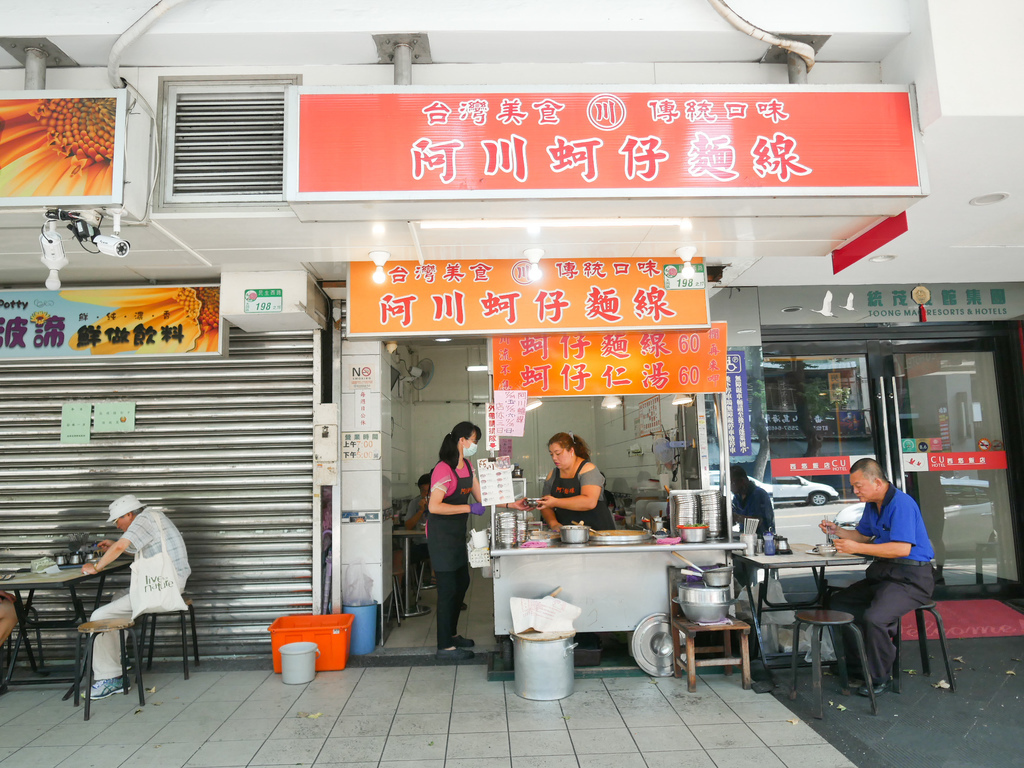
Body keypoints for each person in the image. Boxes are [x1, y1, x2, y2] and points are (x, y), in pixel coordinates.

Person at [819, 458, 934, 697]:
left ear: (878, 482)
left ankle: (880, 675)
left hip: (911, 577)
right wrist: (837, 531)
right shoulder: (873, 504)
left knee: (874, 618)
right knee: (839, 604)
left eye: (858, 485)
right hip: (884, 574)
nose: (854, 491)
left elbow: (901, 549)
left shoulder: (901, 504)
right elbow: (863, 536)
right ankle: (857, 665)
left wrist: (855, 548)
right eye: (853, 486)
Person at [81, 494, 191, 700]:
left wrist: (96, 567)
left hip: (162, 587)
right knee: (117, 598)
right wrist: (113, 544)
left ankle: (111, 678)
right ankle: (118, 658)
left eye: (117, 521)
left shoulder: (144, 519)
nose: (117, 525)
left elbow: (123, 546)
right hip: (171, 582)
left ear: (129, 514)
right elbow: (137, 547)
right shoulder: (152, 517)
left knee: (99, 616)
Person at [535, 432, 615, 531]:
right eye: (551, 454)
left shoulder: (588, 469)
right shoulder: (553, 474)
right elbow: (545, 505)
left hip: (596, 532)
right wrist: (554, 523)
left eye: (558, 453)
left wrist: (555, 502)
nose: (554, 458)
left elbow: (589, 502)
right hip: (567, 533)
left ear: (571, 451)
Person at [731, 465, 775, 536]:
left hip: (762, 537)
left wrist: (738, 517)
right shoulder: (737, 497)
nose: (730, 487)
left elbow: (758, 521)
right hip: (745, 536)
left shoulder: (759, 494)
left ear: (742, 481)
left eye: (732, 483)